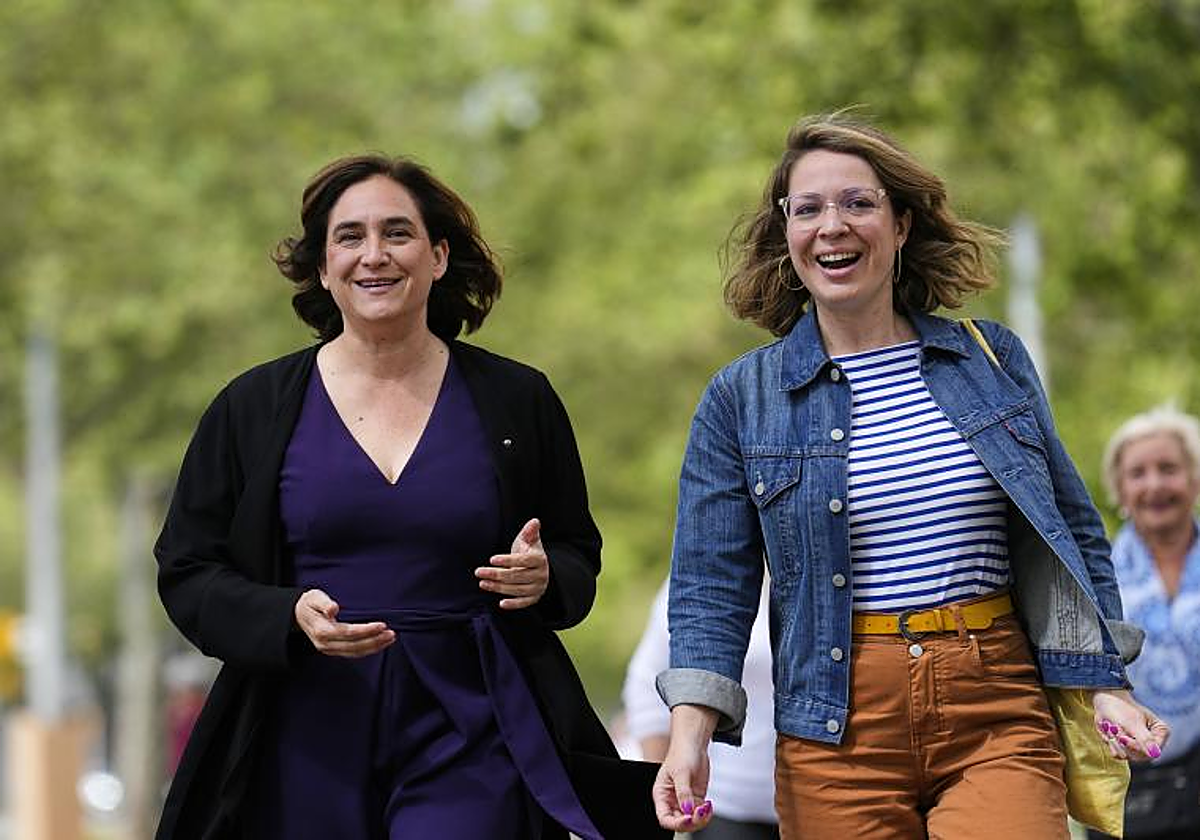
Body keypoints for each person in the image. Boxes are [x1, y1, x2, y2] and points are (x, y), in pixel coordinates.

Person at [650, 112, 1170, 839]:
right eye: (809, 209)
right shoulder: (742, 399)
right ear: (788, 236)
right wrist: (689, 737)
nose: (833, 225)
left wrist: (1104, 680)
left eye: (858, 203)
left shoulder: (989, 360)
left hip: (994, 698)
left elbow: (1071, 525)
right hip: (835, 723)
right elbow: (711, 582)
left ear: (900, 226)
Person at [154, 154, 667, 840]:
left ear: (438, 257)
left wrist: (545, 577)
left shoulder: (519, 400)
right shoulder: (251, 407)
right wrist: (284, 614)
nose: (375, 255)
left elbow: (577, 553)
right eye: (349, 237)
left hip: (472, 725)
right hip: (302, 730)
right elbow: (189, 569)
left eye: (398, 233)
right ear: (322, 267)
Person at [1091, 405, 1200, 839]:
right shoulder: (1096, 577)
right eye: (1138, 473)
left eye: (1168, 468)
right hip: (1130, 788)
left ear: (1193, 478)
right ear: (1119, 488)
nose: (1154, 484)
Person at [623, 578, 778, 839]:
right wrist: (665, 787)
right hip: (729, 809)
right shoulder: (706, 580)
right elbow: (647, 684)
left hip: (826, 799)